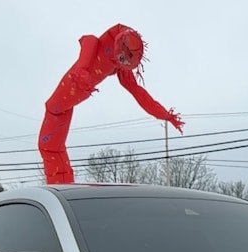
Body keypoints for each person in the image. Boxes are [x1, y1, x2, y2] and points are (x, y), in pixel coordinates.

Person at [38, 24, 184, 184]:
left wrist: (165, 114)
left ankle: (62, 184)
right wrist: (82, 69)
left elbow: (138, 92)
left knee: (50, 144)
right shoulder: (105, 44)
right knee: (51, 142)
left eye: (125, 62)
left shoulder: (120, 65)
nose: (121, 63)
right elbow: (88, 40)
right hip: (70, 92)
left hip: (69, 98)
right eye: (122, 59)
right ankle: (62, 184)